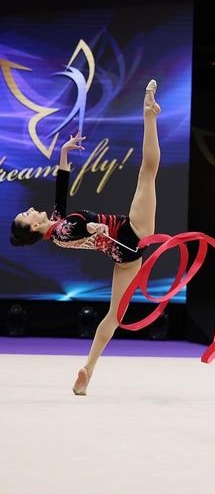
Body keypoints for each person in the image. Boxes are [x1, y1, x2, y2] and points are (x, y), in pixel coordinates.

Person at [10, 80, 162, 395]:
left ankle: (87, 371)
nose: (29, 209)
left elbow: (61, 195)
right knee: (147, 171)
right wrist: (94, 228)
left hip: (123, 256)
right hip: (133, 232)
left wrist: (63, 153)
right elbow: (78, 226)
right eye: (26, 214)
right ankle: (149, 113)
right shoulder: (61, 230)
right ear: (33, 228)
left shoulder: (53, 229)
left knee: (114, 317)